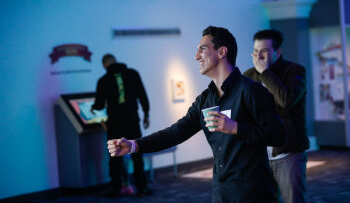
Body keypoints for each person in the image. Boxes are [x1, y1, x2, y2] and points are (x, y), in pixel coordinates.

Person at [107, 26, 286, 203]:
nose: (196, 56)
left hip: (253, 194)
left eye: (202, 49)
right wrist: (134, 145)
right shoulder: (205, 100)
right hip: (221, 194)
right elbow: (175, 132)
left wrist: (235, 128)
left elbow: (278, 135)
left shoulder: (251, 91)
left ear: (222, 52)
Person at [243, 29, 309, 203]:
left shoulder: (295, 71)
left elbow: (286, 99)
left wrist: (265, 73)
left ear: (277, 52)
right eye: (256, 52)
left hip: (288, 153)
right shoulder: (249, 76)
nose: (258, 57)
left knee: (292, 200)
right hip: (259, 155)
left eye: (264, 51)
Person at [91, 54, 152, 197]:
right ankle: (142, 188)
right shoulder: (133, 74)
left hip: (115, 124)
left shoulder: (103, 80)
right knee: (136, 154)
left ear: (105, 65)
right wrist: (146, 114)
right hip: (132, 122)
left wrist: (93, 108)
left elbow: (99, 104)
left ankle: (116, 189)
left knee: (115, 156)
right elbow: (142, 95)